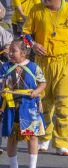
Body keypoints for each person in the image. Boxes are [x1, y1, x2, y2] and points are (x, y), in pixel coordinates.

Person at [23, 0, 68, 156]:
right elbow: (25, 34)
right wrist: (33, 44)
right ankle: (44, 138)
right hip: (42, 63)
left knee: (65, 102)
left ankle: (63, 142)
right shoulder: (36, 9)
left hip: (64, 62)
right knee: (42, 101)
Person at [0, 35, 46, 168]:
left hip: (29, 106)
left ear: (24, 53)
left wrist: (36, 92)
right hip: (11, 106)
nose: (10, 53)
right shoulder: (5, 67)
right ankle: (13, 166)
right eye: (10, 51)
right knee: (12, 137)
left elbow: (43, 83)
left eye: (13, 51)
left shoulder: (34, 67)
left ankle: (32, 166)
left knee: (32, 136)